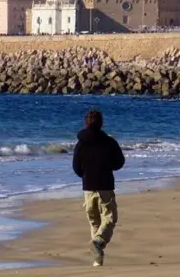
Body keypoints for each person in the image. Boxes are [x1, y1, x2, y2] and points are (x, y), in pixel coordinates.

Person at [72, 110, 125, 267]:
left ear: (86, 122)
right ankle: (98, 242)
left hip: (88, 187)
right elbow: (120, 162)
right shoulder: (109, 142)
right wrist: (108, 167)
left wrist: (85, 175)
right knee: (109, 218)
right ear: (101, 123)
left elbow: (76, 166)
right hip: (105, 185)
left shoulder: (81, 143)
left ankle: (97, 259)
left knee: (95, 221)